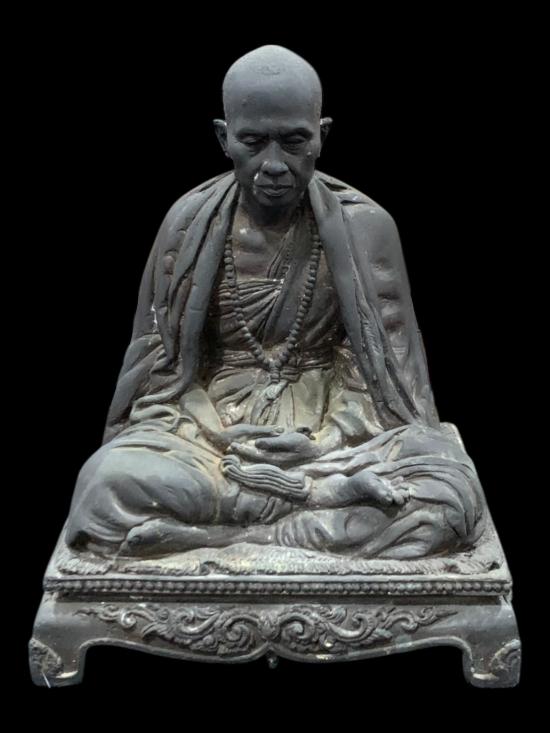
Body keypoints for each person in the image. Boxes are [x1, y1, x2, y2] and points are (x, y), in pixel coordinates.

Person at [65, 45, 486, 560]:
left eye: (293, 142)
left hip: (336, 437)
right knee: (104, 486)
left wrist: (327, 441)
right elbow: (161, 373)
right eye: (253, 142)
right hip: (211, 434)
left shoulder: (365, 227)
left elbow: (387, 377)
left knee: (449, 494)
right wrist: (218, 435)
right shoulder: (188, 224)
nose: (273, 165)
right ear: (224, 138)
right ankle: (315, 507)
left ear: (321, 136)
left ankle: (231, 538)